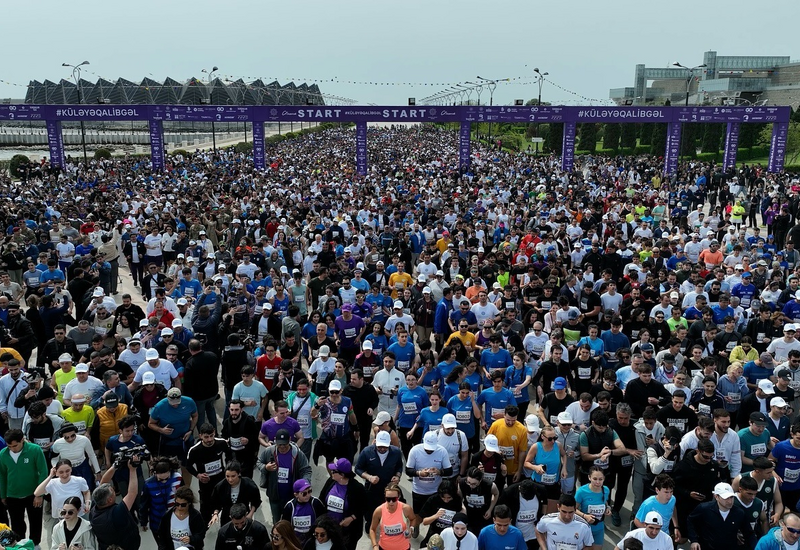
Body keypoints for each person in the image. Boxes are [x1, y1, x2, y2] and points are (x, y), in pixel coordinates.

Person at [0, 429, 47, 547]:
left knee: (35, 521)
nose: (12, 449)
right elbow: (2, 475)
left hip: (33, 493)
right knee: (17, 524)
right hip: (13, 495)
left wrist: (39, 495)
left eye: (15, 445)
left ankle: (35, 545)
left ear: (22, 440)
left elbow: (43, 472)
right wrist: (3, 495)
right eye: (9, 446)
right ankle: (20, 546)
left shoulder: (35, 450)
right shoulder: (3, 454)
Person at [257, 428, 312, 524]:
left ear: (290, 440)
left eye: (285, 445)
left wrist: (304, 485)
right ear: (275, 441)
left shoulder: (297, 453)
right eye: (279, 445)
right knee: (277, 521)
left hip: (291, 495)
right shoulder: (269, 451)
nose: (282, 447)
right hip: (274, 494)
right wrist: (266, 467)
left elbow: (306, 470)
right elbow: (259, 462)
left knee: (290, 521)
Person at [354, 430, 404, 532]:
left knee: (390, 509)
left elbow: (399, 466)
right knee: (370, 510)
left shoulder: (396, 452)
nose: (382, 449)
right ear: (375, 442)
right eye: (379, 446)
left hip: (389, 488)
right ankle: (370, 524)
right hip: (372, 487)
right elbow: (358, 468)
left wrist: (397, 476)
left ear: (389, 443)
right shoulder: (367, 452)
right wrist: (369, 477)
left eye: (385, 447)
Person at [91, 456, 141, 550]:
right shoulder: (116, 514)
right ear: (110, 500)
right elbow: (132, 493)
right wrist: (133, 469)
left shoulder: (95, 507)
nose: (114, 489)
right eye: (113, 491)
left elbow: (103, 482)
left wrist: (115, 466)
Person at [687, 482, 756, 550]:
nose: (730, 501)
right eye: (726, 498)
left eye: (731, 497)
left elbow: (749, 533)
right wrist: (694, 540)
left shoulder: (739, 513)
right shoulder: (704, 509)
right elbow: (690, 521)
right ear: (716, 497)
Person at [186, 422, 231, 523]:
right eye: (206, 437)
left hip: (221, 481)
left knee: (226, 506)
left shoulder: (221, 443)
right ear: (200, 436)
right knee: (205, 512)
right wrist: (198, 475)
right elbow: (188, 466)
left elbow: (230, 455)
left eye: (211, 436)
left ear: (214, 433)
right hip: (206, 484)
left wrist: (228, 469)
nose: (210, 439)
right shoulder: (194, 450)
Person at [318, 458, 367, 550]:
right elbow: (321, 499)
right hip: (328, 528)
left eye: (334, 471)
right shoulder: (330, 481)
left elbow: (364, 506)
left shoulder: (357, 488)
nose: (331, 472)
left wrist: (352, 518)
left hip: (347, 533)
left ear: (342, 475)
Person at [138, 455, 183, 545]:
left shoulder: (178, 478)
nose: (164, 481)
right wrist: (143, 521)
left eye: (166, 478)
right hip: (157, 522)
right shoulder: (148, 484)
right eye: (160, 479)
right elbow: (144, 505)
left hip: (177, 520)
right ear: (155, 473)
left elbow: (185, 496)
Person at [524, 425, 566, 513]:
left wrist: (564, 468)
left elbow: (564, 455)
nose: (553, 441)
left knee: (551, 513)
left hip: (553, 484)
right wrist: (535, 467)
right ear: (543, 436)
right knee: (538, 511)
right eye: (550, 439)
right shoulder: (536, 447)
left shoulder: (558, 445)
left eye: (555, 438)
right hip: (538, 483)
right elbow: (526, 463)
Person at [209, 461, 262, 527]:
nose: (230, 479)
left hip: (244, 517)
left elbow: (256, 500)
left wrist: (250, 514)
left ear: (239, 474)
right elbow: (216, 503)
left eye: (233, 476)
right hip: (227, 518)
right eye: (227, 476)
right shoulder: (220, 486)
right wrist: (215, 514)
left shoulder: (248, 484)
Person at [156, 486, 206, 550]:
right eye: (177, 504)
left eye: (183, 505)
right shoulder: (168, 515)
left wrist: (191, 539)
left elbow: (201, 534)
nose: (179, 507)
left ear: (189, 503)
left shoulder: (195, 516)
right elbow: (161, 535)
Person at [369, 483, 416, 550]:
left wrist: (411, 528)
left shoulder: (406, 509)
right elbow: (372, 529)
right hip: (384, 547)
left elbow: (413, 519)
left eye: (394, 499)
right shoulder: (379, 511)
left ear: (399, 497)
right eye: (388, 499)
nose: (391, 502)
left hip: (403, 548)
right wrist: (375, 546)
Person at [574, 466, 610, 550]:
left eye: (600, 479)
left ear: (604, 479)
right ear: (589, 477)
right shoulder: (581, 491)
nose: (597, 482)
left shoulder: (606, 490)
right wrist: (585, 516)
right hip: (585, 527)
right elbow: (573, 509)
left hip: (599, 527)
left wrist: (607, 508)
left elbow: (605, 502)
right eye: (595, 479)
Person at [281, 479, 326, 545]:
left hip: (313, 540)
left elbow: (324, 521)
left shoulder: (316, 503)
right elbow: (285, 526)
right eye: (304, 493)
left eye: (309, 491)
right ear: (296, 495)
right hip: (296, 541)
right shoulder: (290, 507)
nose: (308, 495)